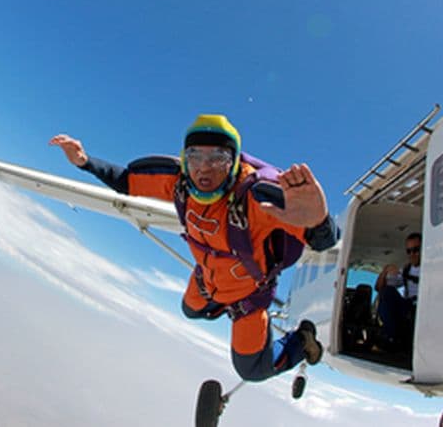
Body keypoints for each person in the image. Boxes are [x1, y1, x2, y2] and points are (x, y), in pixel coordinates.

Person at [50, 114, 338, 382]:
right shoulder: (178, 183)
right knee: (190, 310)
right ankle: (220, 304)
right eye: (195, 156)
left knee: (252, 370)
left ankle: (302, 341)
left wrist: (318, 221)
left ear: (235, 161)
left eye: (218, 158)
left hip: (247, 297)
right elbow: (127, 181)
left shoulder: (257, 198)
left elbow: (323, 241)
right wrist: (85, 162)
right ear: (185, 158)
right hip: (206, 281)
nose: (204, 168)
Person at [375, 232, 422, 350]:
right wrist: (385, 271)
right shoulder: (406, 270)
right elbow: (379, 288)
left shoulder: (433, 266)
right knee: (387, 292)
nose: (412, 254)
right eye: (409, 251)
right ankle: (391, 337)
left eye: (416, 250)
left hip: (424, 306)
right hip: (409, 306)